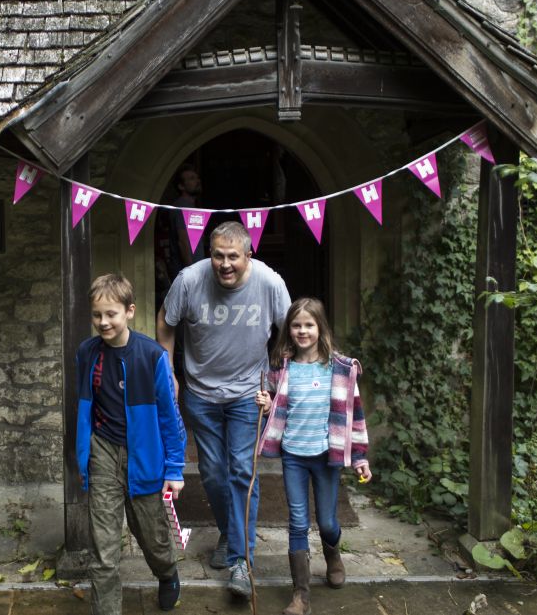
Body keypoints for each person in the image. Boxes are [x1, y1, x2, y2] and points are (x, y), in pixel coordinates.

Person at [157, 221, 290, 597]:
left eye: (234, 256)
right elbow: (165, 323)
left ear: (249, 255)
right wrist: (168, 371)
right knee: (213, 473)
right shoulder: (189, 280)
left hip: (249, 393)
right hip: (200, 394)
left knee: (242, 472)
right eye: (218, 255)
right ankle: (233, 534)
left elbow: (291, 327)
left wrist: (279, 372)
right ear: (209, 254)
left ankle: (240, 563)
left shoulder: (269, 283)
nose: (225, 264)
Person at [76, 274, 187, 614]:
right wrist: (83, 455)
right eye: (97, 315)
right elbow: (84, 406)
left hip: (144, 457)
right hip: (103, 451)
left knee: (152, 536)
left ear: (129, 312)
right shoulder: (87, 352)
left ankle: (167, 573)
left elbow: (170, 416)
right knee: (104, 547)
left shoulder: (151, 356)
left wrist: (174, 468)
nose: (103, 322)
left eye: (110, 313)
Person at [254, 297, 372, 615]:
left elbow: (355, 416)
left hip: (325, 456)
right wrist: (267, 405)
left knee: (328, 521)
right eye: (296, 325)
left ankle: (333, 553)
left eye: (308, 325)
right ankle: (301, 595)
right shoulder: (282, 368)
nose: (302, 331)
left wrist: (360, 456)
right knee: (297, 522)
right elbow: (275, 409)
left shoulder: (340, 369)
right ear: (289, 329)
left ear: (320, 328)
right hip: (293, 454)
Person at [166, 163, 208, 278]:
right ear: (181, 186)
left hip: (195, 270)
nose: (197, 181)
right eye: (191, 178)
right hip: (189, 274)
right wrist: (191, 272)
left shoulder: (191, 206)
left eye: (197, 178)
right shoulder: (182, 206)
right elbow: (183, 241)